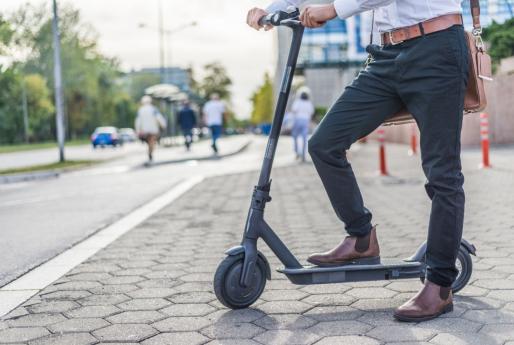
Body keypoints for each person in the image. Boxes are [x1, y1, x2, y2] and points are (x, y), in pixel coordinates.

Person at [248, 0, 469, 322]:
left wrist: (335, 9)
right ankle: (361, 237)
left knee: (443, 174)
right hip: (386, 56)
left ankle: (440, 285)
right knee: (324, 144)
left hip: (436, 50)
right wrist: (273, 10)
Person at [135, 95, 167, 162]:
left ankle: (150, 153)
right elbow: (159, 118)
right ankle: (150, 153)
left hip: (144, 131)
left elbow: (138, 121)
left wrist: (137, 130)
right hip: (153, 130)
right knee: (152, 142)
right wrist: (163, 125)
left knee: (149, 142)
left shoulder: (140, 110)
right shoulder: (153, 109)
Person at [291, 91, 314, 162]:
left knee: (295, 136)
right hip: (306, 121)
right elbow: (311, 112)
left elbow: (293, 110)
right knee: (304, 139)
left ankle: (297, 151)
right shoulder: (309, 103)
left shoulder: (297, 101)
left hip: (298, 120)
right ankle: (303, 156)